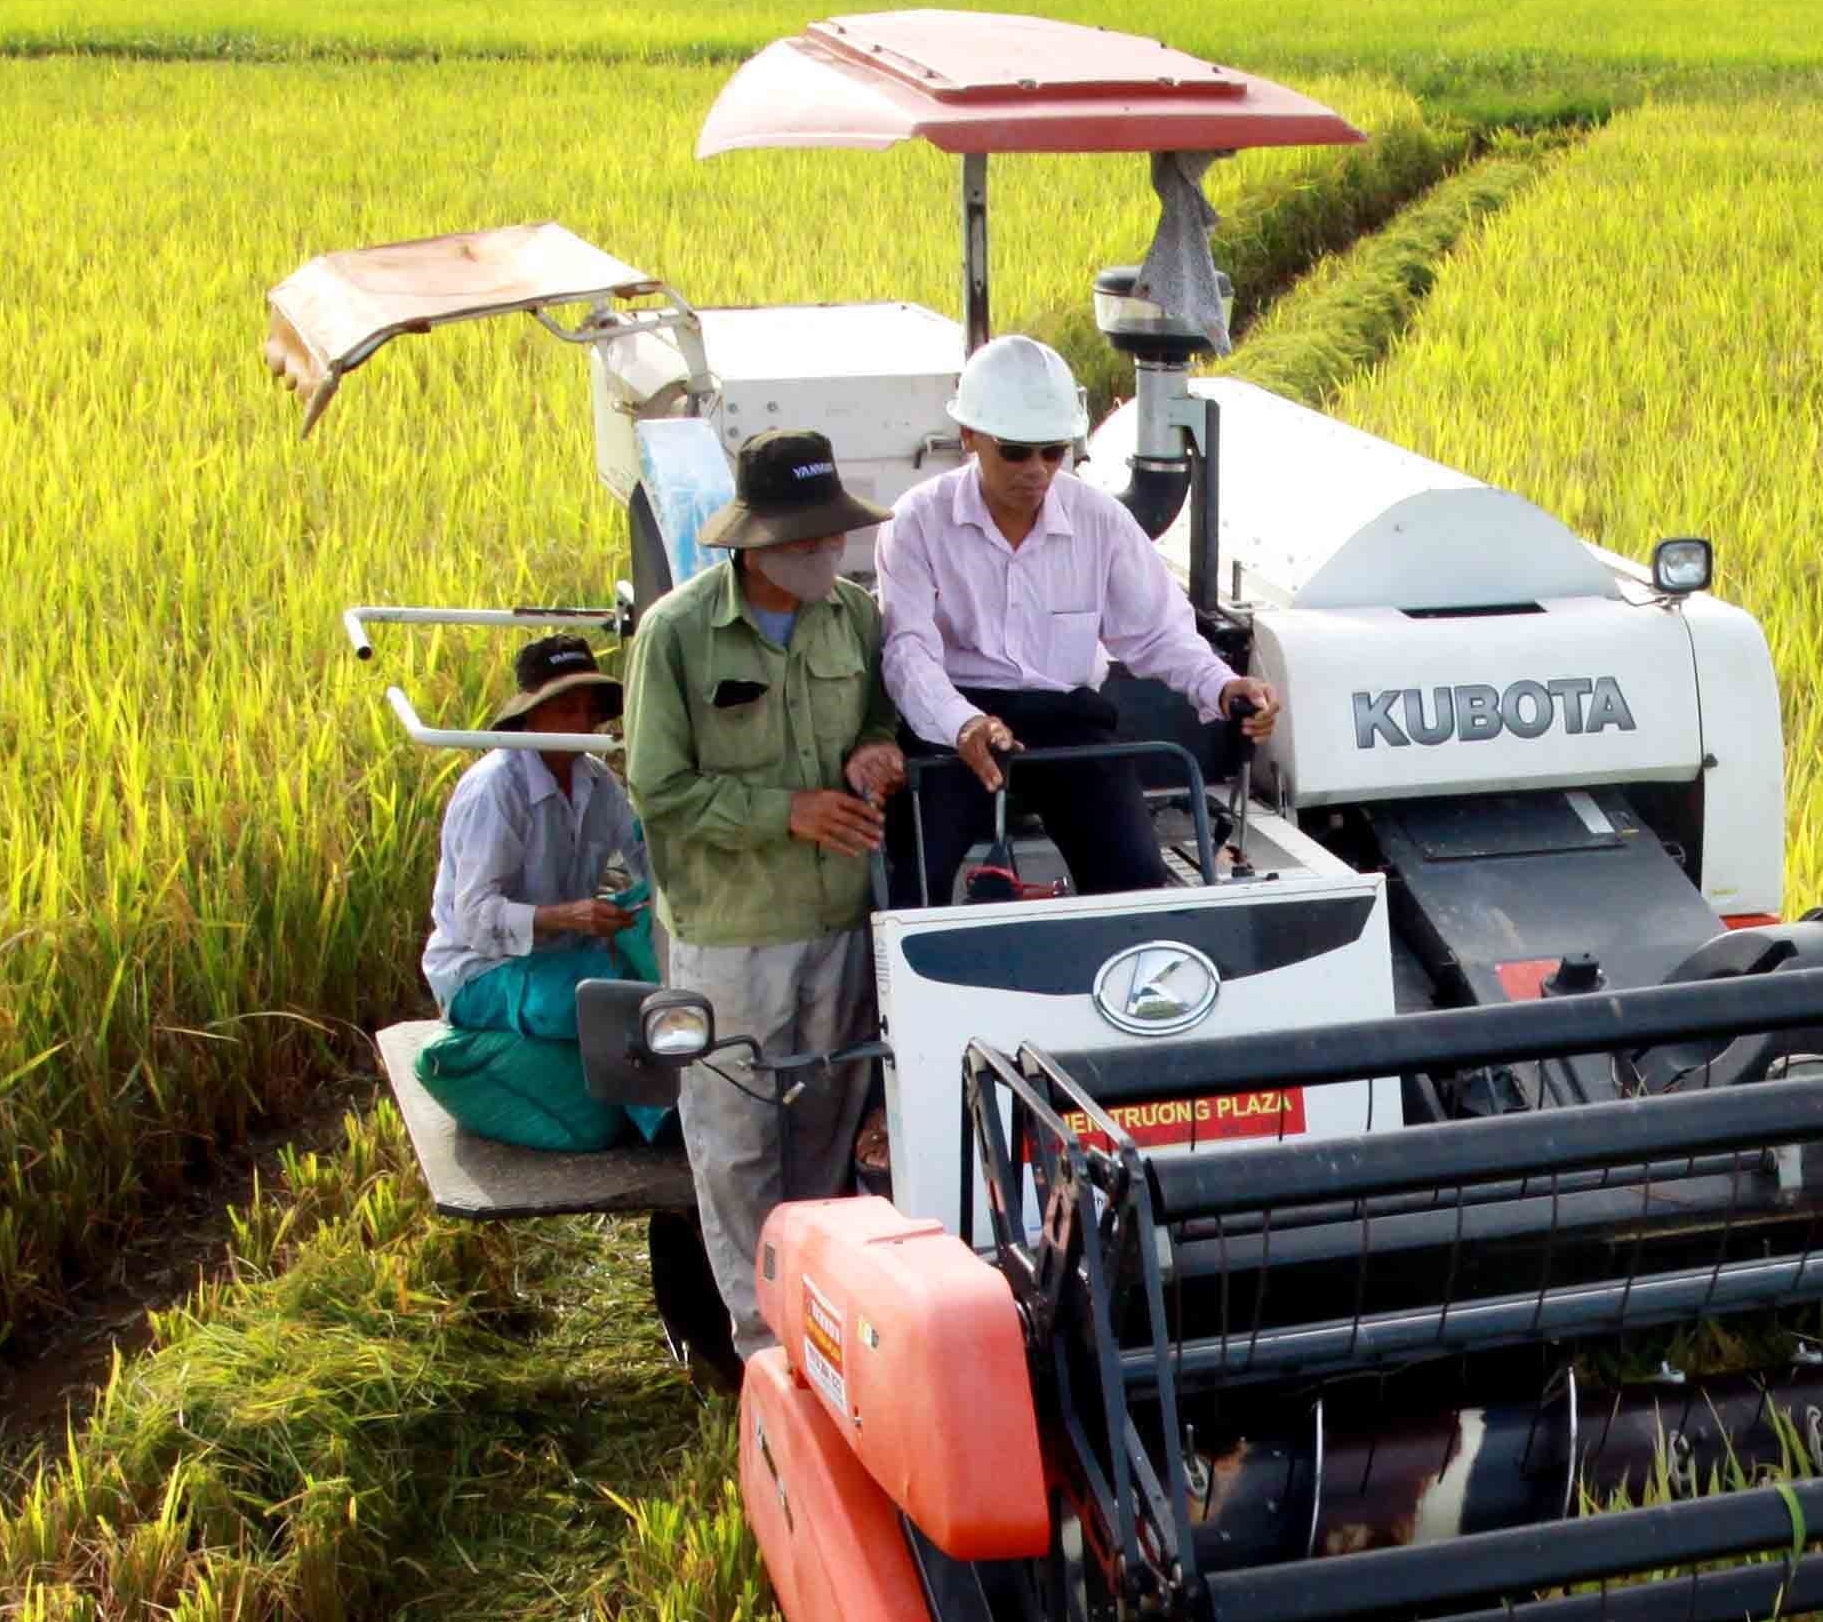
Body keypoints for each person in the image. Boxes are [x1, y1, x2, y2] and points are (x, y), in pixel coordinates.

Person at [623, 430, 910, 1364]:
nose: (830, 555)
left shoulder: (857, 619)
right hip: (731, 939)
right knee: (738, 1146)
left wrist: (876, 746)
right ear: (756, 546)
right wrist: (783, 812)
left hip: (838, 927)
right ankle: (763, 1355)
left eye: (834, 539)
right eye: (809, 542)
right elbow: (656, 789)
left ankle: (824, 1334)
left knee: (827, 1130)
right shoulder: (677, 634)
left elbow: (881, 712)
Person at [874, 334, 1281, 907]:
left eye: (1053, 450)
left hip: (1067, 717)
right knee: (912, 880)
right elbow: (907, 651)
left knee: (1135, 877)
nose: (1037, 469)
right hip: (953, 721)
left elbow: (1159, 633)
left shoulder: (1101, 520)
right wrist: (962, 723)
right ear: (969, 438)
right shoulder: (916, 520)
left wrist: (1221, 684)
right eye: (1015, 451)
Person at [410, 634, 659, 1151]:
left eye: (587, 708)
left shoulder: (595, 781)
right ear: (532, 716)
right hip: (483, 971)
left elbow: (644, 854)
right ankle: (666, 1124)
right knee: (612, 1006)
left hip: (561, 955)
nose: (580, 722)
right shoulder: (495, 789)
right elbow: (476, 917)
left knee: (658, 973)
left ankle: (664, 1103)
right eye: (564, 707)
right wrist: (569, 917)